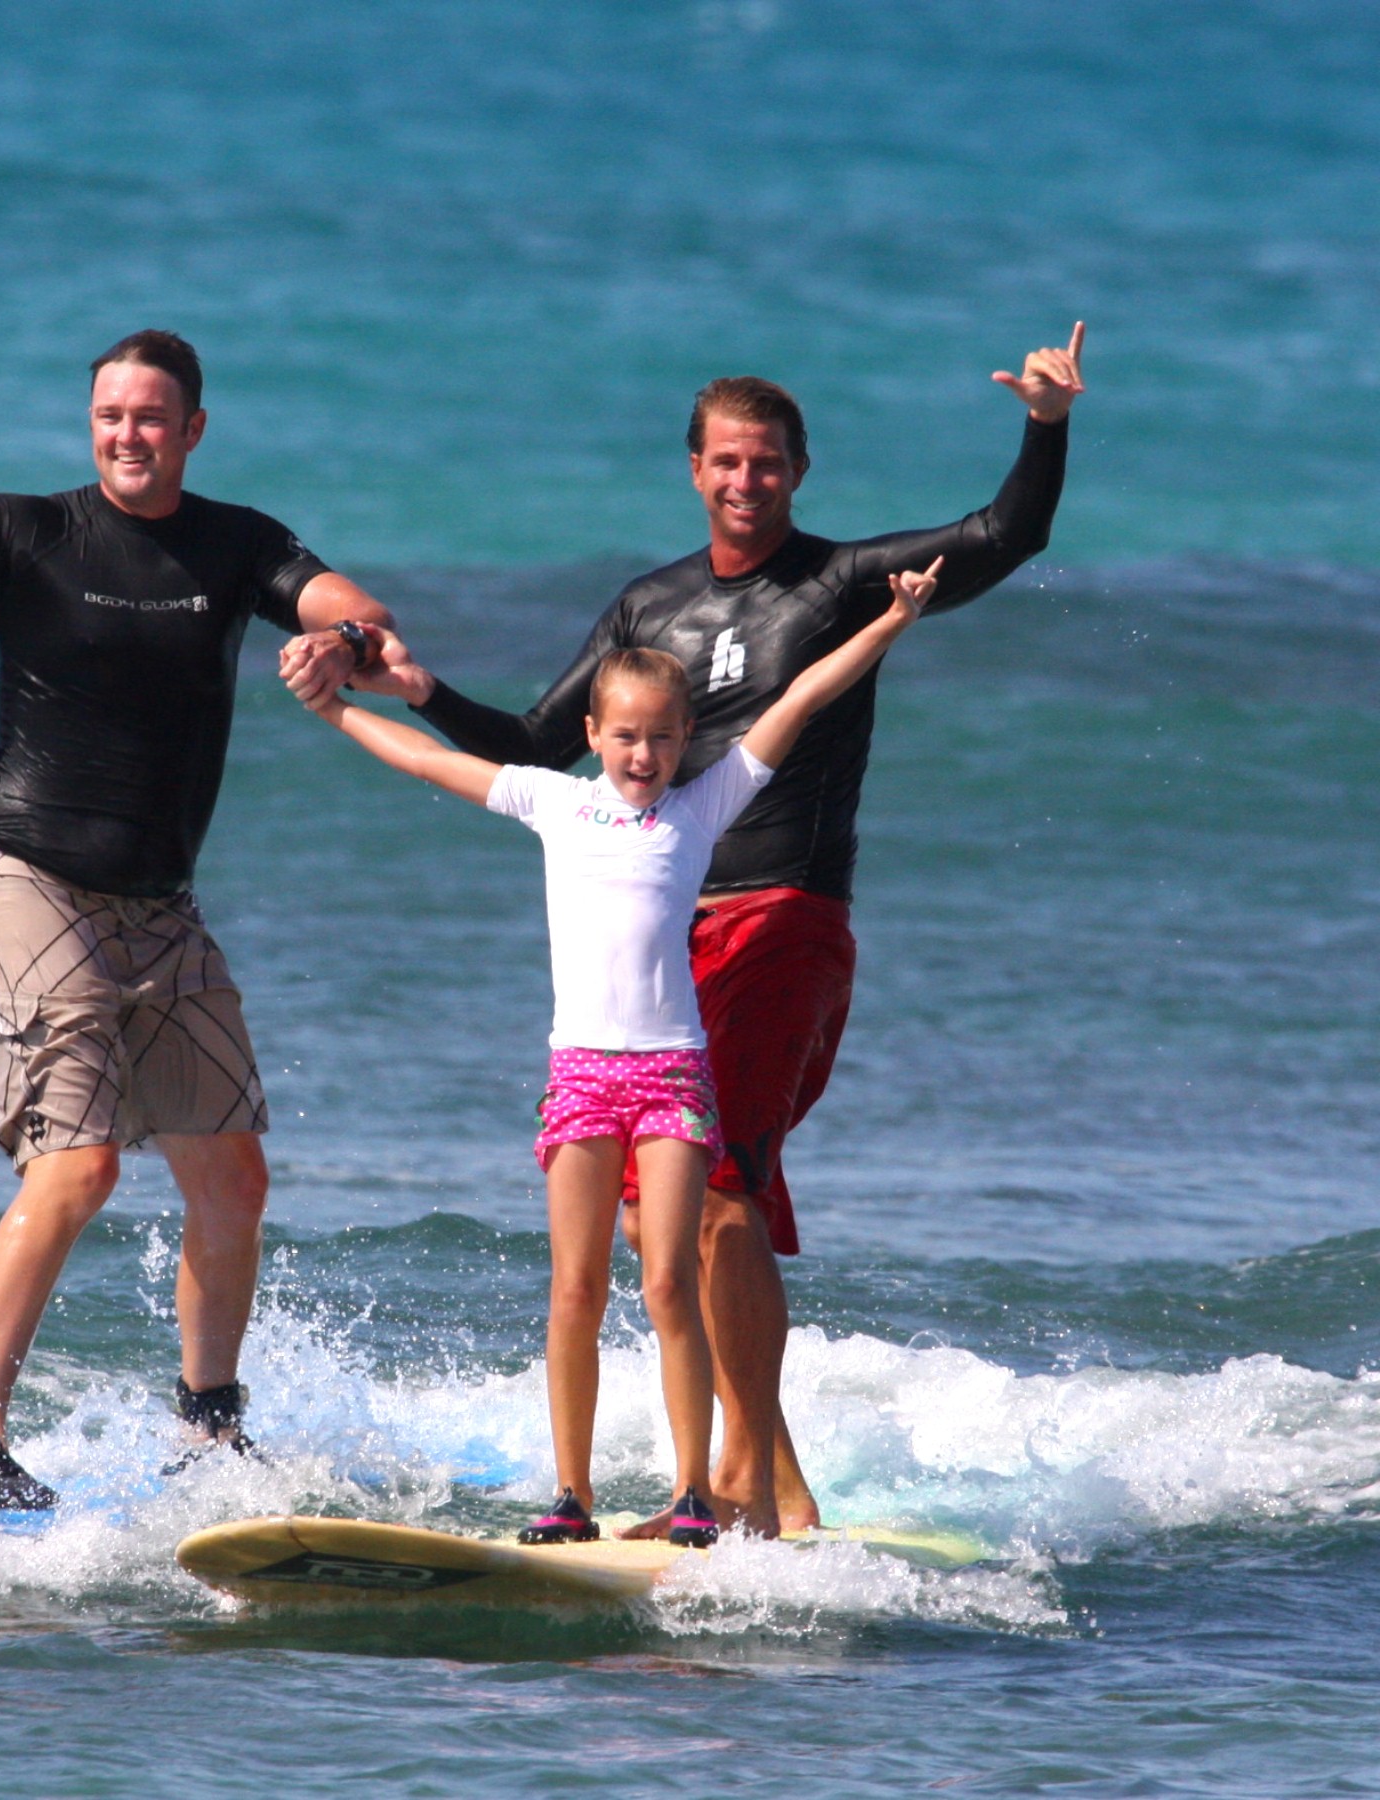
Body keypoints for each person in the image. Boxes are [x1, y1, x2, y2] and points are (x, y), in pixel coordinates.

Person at [302, 325, 1085, 1536]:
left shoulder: (840, 584)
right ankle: (756, 1475)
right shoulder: (651, 604)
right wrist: (418, 697)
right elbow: (528, 749)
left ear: (799, 471)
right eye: (725, 461)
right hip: (672, 952)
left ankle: (751, 1484)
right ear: (694, 469)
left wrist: (1045, 425)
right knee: (672, 1216)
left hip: (783, 918)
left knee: (722, 1191)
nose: (744, 481)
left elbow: (1005, 536)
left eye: (767, 463)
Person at [0, 318, 407, 1506]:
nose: (129, 434)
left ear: (193, 430)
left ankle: (207, 1431)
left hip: (160, 910)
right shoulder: (28, 534)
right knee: (79, 1166)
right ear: (88, 425)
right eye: (110, 415)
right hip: (28, 884)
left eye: (151, 416)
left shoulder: (234, 544)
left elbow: (341, 604)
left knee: (233, 1175)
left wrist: (349, 643)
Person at [301, 562, 941, 1544]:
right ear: (593, 736)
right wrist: (336, 715)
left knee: (671, 1279)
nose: (643, 753)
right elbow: (429, 764)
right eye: (626, 736)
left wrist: (892, 620)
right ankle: (572, 1497)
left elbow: (807, 692)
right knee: (574, 1289)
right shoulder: (556, 803)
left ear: (689, 741)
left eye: (662, 737)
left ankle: (694, 1492)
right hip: (582, 1078)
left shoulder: (704, 804)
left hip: (672, 1074)